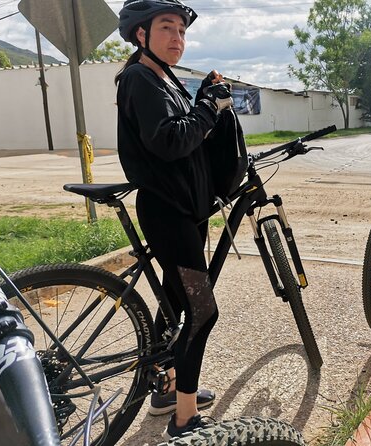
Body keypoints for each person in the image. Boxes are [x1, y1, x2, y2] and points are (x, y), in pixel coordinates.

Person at [115, 0, 233, 439]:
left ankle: (165, 386)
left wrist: (205, 101)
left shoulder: (165, 79)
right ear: (141, 34)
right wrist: (208, 108)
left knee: (176, 302)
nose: (177, 39)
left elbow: (192, 135)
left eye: (182, 32)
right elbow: (169, 140)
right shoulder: (139, 78)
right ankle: (184, 419)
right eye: (167, 28)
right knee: (202, 312)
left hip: (185, 209)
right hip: (168, 212)